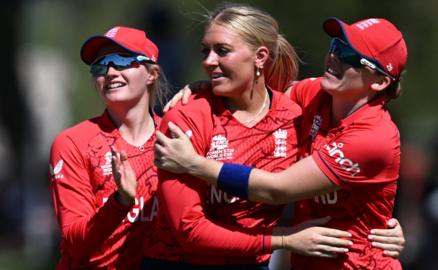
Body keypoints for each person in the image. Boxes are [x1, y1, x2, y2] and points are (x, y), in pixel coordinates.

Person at [146, 3, 405, 269]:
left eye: (350, 56)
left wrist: (194, 164)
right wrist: (205, 85)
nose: (334, 58)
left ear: (380, 82)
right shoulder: (314, 95)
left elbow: (277, 189)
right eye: (336, 47)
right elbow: (258, 92)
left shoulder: (374, 137)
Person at [49, 26, 170, 269]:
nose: (110, 72)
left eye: (122, 60)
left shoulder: (176, 137)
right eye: (100, 65)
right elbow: (76, 244)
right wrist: (120, 203)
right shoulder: (74, 142)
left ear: (151, 74)